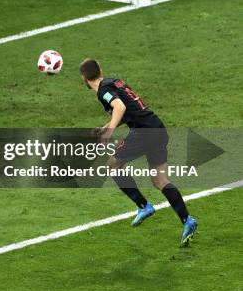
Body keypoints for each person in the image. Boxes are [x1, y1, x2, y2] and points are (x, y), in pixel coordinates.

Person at [79, 58, 197, 246]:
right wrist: (105, 127)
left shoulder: (103, 91)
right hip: (156, 127)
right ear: (100, 70)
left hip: (143, 133)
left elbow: (120, 107)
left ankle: (144, 206)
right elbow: (129, 111)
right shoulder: (114, 82)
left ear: (84, 79)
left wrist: (108, 133)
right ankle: (187, 220)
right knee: (160, 180)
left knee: (112, 166)